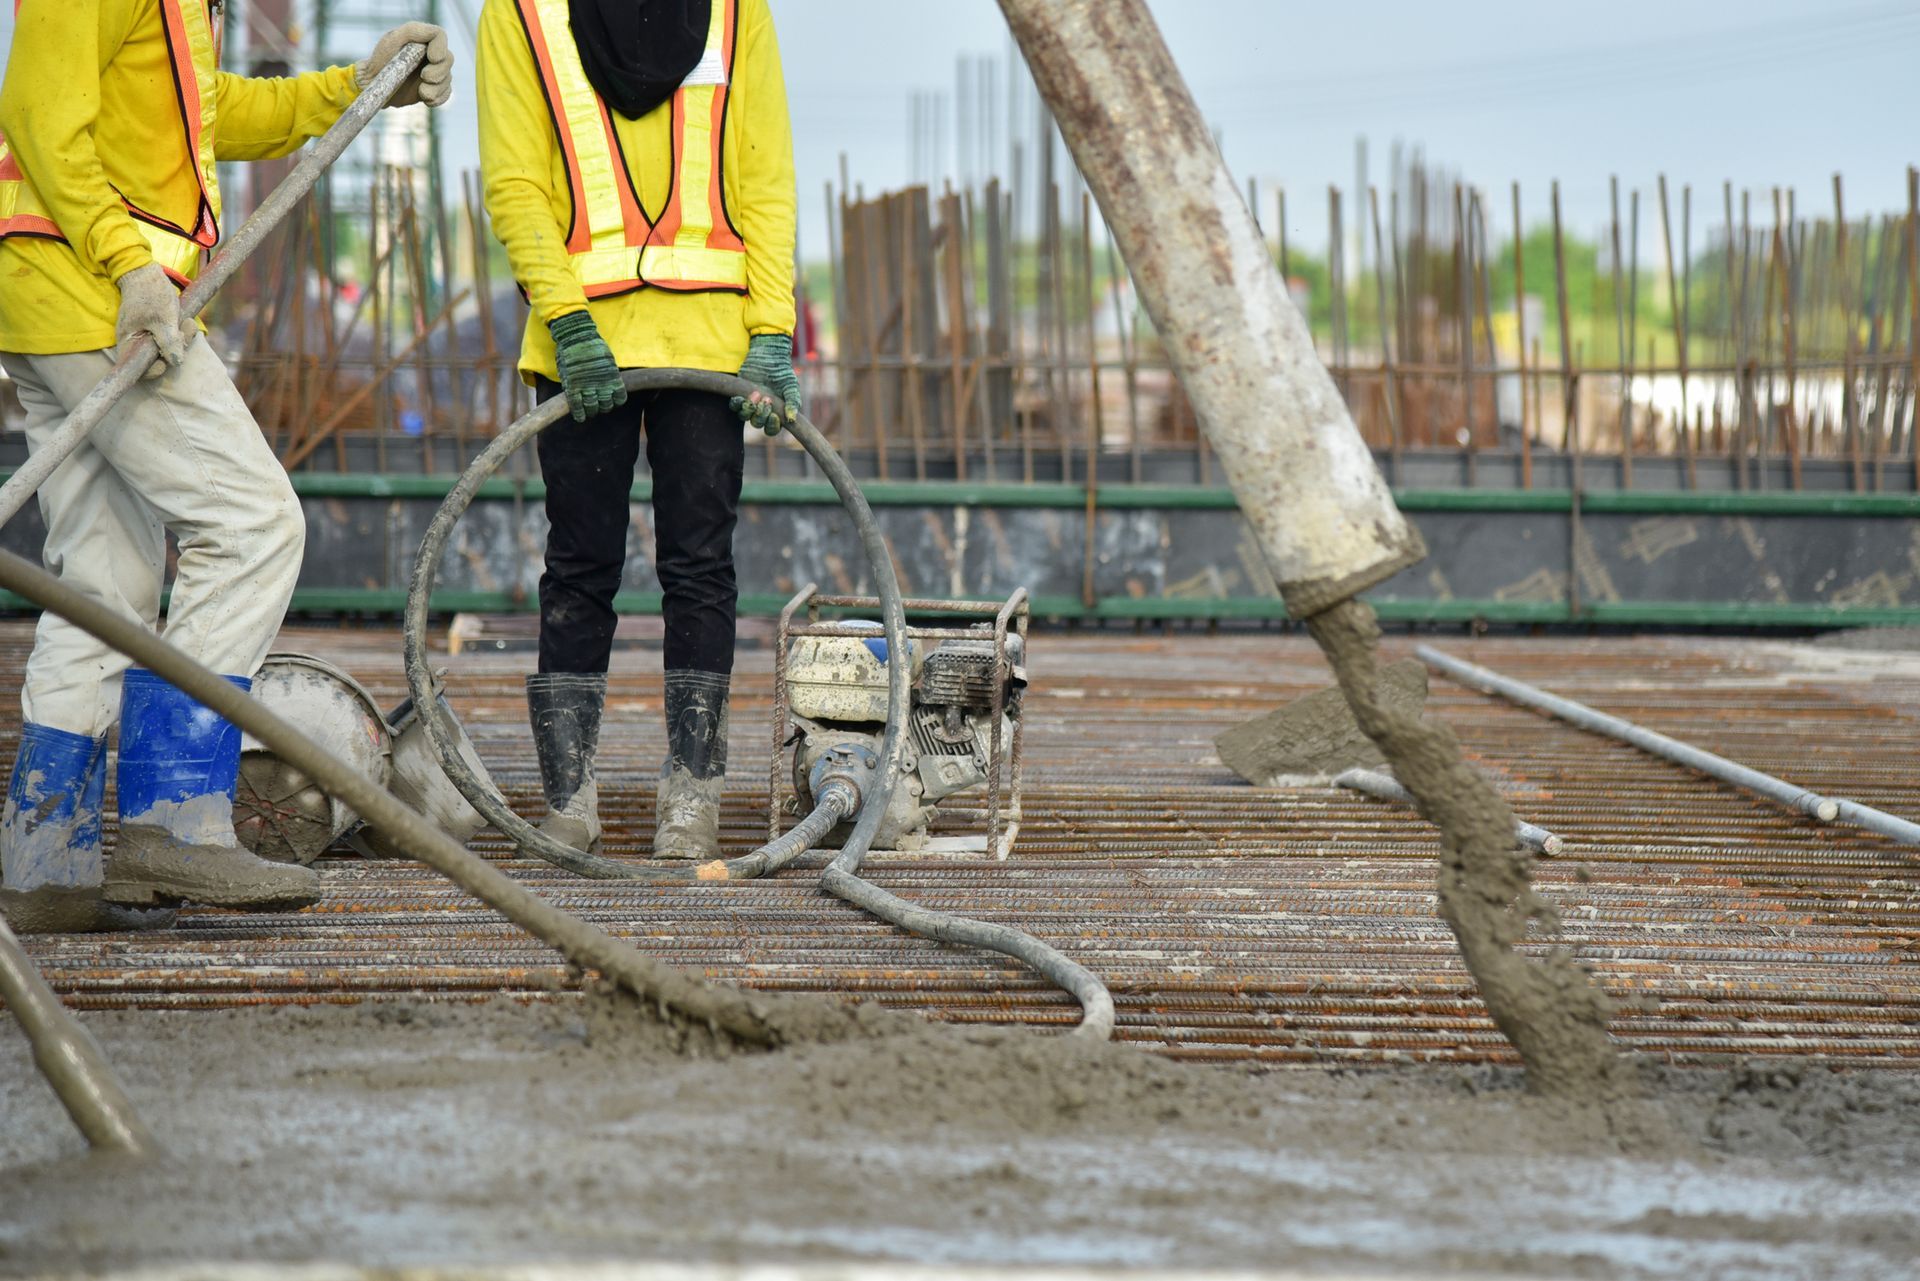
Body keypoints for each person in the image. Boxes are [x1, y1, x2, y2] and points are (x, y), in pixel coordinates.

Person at [0, 3, 455, 933]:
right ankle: (173, 818)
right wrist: (129, 265)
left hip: (54, 291)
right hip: (98, 293)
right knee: (254, 524)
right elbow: (38, 111)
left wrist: (351, 92)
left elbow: (201, 112)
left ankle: (45, 858)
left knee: (105, 583)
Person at [478, 0, 798, 862]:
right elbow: (515, 179)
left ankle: (690, 801)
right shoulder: (522, 13)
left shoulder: (736, 9)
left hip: (702, 341)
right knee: (585, 563)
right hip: (587, 347)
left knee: (696, 565)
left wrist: (773, 328)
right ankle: (570, 799)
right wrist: (570, 322)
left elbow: (763, 173)